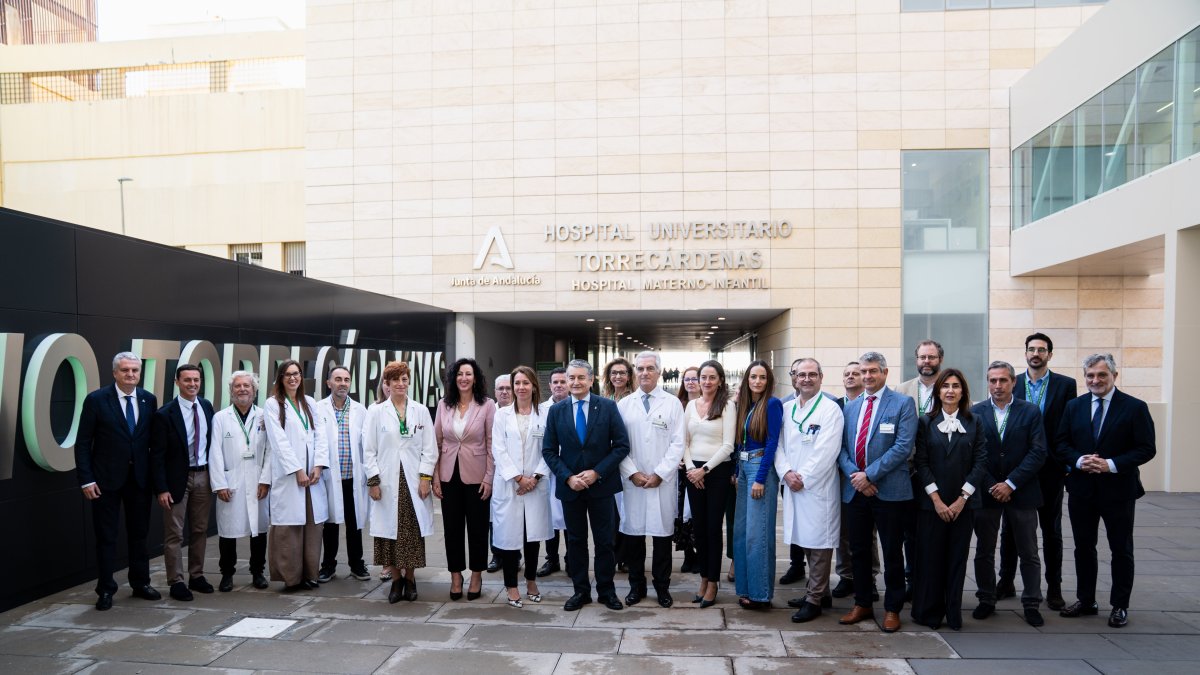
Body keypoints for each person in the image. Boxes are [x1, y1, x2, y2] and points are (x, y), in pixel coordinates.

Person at [1057, 354, 1155, 628]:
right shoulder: (1074, 407)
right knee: (1083, 548)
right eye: (1090, 375)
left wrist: (1110, 464)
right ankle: (1086, 600)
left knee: (1121, 549)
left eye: (1101, 375)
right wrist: (1079, 460)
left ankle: (1120, 605)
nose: (1095, 380)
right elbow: (1061, 443)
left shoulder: (1135, 408)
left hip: (1118, 491)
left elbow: (1146, 448)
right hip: (1082, 490)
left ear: (1114, 375)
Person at [541, 358, 631, 611]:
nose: (576, 382)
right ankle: (581, 591)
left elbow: (621, 446)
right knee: (576, 541)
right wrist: (568, 477)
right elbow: (548, 451)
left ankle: (606, 591)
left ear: (592, 380)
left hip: (601, 486)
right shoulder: (556, 411)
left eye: (581, 377)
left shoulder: (607, 407)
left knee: (604, 542)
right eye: (572, 378)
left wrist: (597, 472)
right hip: (571, 488)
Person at [838, 352, 917, 634]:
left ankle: (893, 608)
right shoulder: (850, 407)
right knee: (858, 550)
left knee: (892, 551)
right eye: (863, 371)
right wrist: (856, 477)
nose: (867, 376)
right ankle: (862, 603)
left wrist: (869, 475)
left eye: (873, 371)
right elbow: (843, 449)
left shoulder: (903, 404)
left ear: (884, 372)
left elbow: (903, 447)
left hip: (890, 492)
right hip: (855, 491)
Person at [75, 352, 161, 611]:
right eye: (125, 370)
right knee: (106, 537)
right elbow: (82, 443)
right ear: (114, 373)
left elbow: (149, 442)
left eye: (135, 370)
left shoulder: (148, 399)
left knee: (139, 534)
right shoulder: (97, 400)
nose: (131, 374)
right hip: (105, 481)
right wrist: (86, 480)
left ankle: (140, 582)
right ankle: (105, 589)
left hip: (139, 481)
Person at [1001, 332, 1078, 610]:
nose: (1036, 353)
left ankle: (1054, 588)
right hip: (1017, 469)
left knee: (1051, 530)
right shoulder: (1013, 383)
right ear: (1025, 353)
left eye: (1042, 350)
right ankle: (1005, 581)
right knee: (1009, 528)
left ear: (1050, 355)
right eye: (1032, 349)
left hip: (1050, 470)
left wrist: (1065, 464)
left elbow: (1068, 425)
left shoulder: (1065, 385)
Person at [970, 361, 1048, 627]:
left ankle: (1031, 603)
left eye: (1003, 380)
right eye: (992, 380)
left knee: (1029, 550)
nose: (997, 386)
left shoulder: (1030, 411)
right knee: (984, 550)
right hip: (987, 491)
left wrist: (1011, 483)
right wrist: (994, 484)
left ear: (1014, 382)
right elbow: (973, 454)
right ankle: (986, 599)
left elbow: (1038, 452)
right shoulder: (975, 412)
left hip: (1022, 491)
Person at [911, 368, 987, 631]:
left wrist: (961, 499)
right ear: (938, 391)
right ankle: (929, 612)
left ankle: (953, 612)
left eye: (956, 386)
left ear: (963, 391)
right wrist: (937, 500)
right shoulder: (925, 422)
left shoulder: (975, 422)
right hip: (931, 504)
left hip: (962, 504)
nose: (951, 390)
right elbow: (920, 462)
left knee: (957, 558)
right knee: (930, 559)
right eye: (945, 386)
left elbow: (980, 463)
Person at [777, 358, 845, 623]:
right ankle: (820, 592)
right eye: (801, 374)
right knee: (804, 540)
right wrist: (785, 472)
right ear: (794, 378)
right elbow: (778, 445)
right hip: (793, 485)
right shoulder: (787, 408)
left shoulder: (830, 410)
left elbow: (827, 451)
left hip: (816, 488)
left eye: (812, 374)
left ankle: (814, 600)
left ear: (821, 377)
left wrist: (802, 477)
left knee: (819, 544)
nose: (806, 379)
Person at [363, 361, 437, 603]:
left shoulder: (421, 410)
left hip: (413, 482)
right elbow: (368, 450)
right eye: (395, 380)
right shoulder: (376, 412)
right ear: (386, 383)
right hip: (386, 482)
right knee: (389, 535)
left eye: (404, 379)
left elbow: (430, 449)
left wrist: (425, 478)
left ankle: (411, 579)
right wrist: (373, 481)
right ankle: (396, 580)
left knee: (412, 533)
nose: (400, 384)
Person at [617, 352, 685, 608]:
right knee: (634, 537)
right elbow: (618, 444)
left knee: (661, 538)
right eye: (640, 369)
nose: (644, 373)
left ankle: (662, 587)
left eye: (650, 368)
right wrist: (632, 472)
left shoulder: (672, 404)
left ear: (659, 371)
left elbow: (678, 442)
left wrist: (660, 473)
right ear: (635, 372)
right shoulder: (624, 405)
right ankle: (637, 586)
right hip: (633, 481)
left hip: (661, 482)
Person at [150, 363, 216, 601]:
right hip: (177, 480)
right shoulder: (164, 414)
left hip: (204, 475)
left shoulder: (207, 407)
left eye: (196, 380)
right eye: (187, 380)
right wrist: (161, 488)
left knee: (200, 530)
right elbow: (156, 455)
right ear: (177, 382)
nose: (193, 384)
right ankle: (176, 581)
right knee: (174, 534)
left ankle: (196, 576)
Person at [433, 357, 496, 601]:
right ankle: (456, 575)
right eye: (459, 374)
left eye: (468, 374)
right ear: (453, 378)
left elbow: (491, 443)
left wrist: (489, 477)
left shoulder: (487, 405)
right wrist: (435, 477)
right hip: (449, 475)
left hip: (478, 475)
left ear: (475, 378)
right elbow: (437, 442)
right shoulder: (444, 405)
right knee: (452, 529)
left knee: (479, 529)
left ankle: (477, 575)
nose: (464, 378)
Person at [264, 359, 329, 591]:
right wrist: (297, 470)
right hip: (290, 475)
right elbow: (278, 442)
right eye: (288, 374)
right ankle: (291, 578)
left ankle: (310, 574)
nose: (293, 378)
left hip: (313, 476)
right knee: (289, 528)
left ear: (301, 377)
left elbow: (321, 435)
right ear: (280, 379)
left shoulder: (310, 403)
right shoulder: (273, 404)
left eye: (296, 373)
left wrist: (319, 465)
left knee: (312, 526)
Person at [490, 366, 552, 608]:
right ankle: (511, 586)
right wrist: (518, 478)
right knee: (508, 539)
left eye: (526, 383)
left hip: (536, 485)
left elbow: (550, 449)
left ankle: (531, 581)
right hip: (510, 486)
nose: (521, 387)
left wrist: (535, 477)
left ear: (534, 386)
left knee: (532, 538)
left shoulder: (545, 414)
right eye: (517, 383)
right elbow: (498, 449)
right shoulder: (502, 415)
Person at [208, 371, 271, 592]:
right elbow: (214, 452)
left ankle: (258, 572)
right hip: (231, 481)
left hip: (257, 481)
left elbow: (270, 452)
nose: (242, 389)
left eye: (247, 386)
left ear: (254, 391)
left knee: (259, 529)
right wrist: (220, 484)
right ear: (231, 391)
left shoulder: (264, 416)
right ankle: (227, 573)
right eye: (238, 386)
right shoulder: (220, 417)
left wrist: (266, 480)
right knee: (228, 531)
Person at [683, 360, 735, 608]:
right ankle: (703, 578)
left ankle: (713, 582)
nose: (706, 381)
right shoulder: (691, 405)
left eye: (712, 377)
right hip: (694, 472)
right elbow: (683, 442)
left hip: (716, 472)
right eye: (703, 377)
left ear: (720, 380)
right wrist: (692, 469)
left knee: (713, 528)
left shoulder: (727, 405)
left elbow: (728, 446)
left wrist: (704, 470)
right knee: (699, 529)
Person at [732, 359, 783, 610]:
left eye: (762, 377)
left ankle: (761, 594)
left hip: (759, 468)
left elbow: (773, 442)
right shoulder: (746, 404)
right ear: (747, 380)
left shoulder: (772, 404)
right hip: (743, 468)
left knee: (758, 535)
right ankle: (745, 588)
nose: (758, 381)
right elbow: (740, 442)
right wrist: (735, 470)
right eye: (753, 377)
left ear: (768, 381)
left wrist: (760, 478)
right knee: (741, 534)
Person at [316, 365, 370, 583]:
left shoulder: (360, 410)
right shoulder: (318, 408)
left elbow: (367, 445)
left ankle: (357, 564)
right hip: (329, 478)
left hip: (353, 477)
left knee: (354, 523)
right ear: (329, 383)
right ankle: (328, 566)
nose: (342, 383)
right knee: (330, 524)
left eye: (346, 379)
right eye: (337, 379)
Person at [832, 361, 880, 601]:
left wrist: (868, 475)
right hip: (843, 478)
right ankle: (846, 576)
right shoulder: (837, 406)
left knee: (867, 535)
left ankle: (869, 579)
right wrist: (853, 473)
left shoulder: (875, 405)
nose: (851, 377)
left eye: (855, 373)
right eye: (846, 373)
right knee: (843, 532)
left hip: (872, 478)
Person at [602, 356, 634, 572]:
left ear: (629, 376)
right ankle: (614, 554)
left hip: (630, 460)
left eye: (622, 373)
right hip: (609, 462)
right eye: (614, 373)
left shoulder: (635, 399)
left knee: (628, 510)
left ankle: (626, 555)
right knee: (612, 512)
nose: (618, 376)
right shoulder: (603, 400)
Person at [537, 366, 569, 578]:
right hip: (546, 472)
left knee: (569, 519)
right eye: (555, 382)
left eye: (562, 382)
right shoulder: (539, 410)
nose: (558, 385)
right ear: (549, 386)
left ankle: (572, 559)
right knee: (549, 518)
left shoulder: (575, 407)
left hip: (569, 471)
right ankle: (552, 559)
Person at [674, 366, 701, 574]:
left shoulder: (706, 404)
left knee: (697, 512)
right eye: (687, 379)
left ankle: (700, 554)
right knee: (681, 512)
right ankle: (688, 554)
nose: (691, 382)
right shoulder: (678, 405)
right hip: (681, 468)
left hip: (700, 466)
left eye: (694, 378)